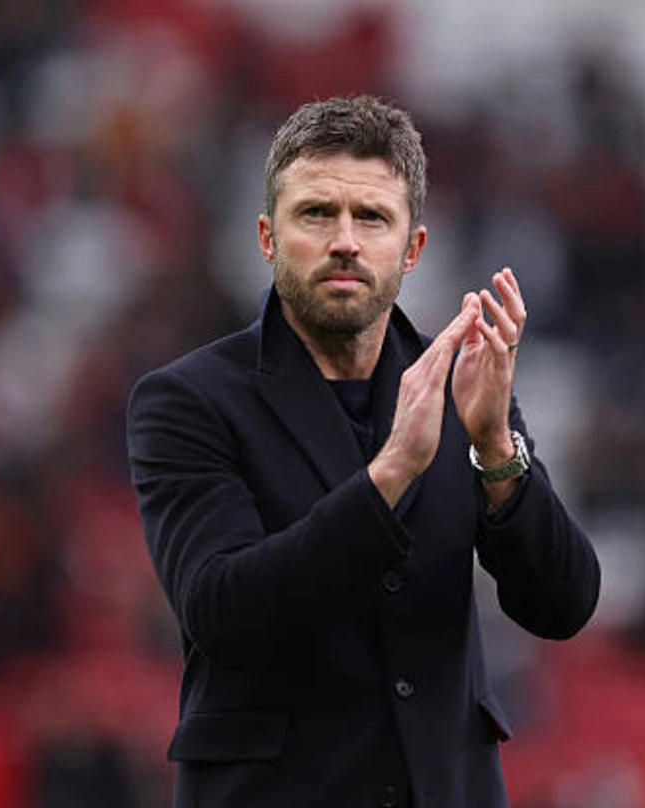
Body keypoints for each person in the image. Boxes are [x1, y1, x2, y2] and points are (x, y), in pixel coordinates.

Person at [126, 95, 600, 808]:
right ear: (267, 237)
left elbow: (562, 605)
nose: (344, 240)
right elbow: (221, 610)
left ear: (411, 248)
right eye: (315, 213)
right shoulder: (188, 400)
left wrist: (498, 450)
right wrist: (389, 476)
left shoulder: (462, 387)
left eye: (372, 217)